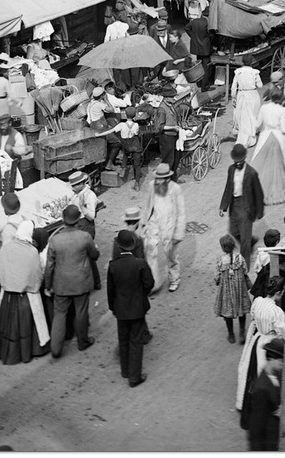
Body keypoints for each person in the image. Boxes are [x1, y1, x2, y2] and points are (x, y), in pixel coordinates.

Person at [0, 220, 50, 364]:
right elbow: (37, 274)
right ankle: (28, 353)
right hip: (26, 297)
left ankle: (6, 353)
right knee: (27, 326)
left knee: (7, 325)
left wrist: (5, 280)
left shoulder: (7, 247)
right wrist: (33, 285)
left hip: (8, 295)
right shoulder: (32, 252)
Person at [43, 204, 99, 357]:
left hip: (61, 284)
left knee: (60, 314)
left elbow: (49, 266)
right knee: (81, 312)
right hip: (81, 282)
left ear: (63, 219)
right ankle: (82, 341)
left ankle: (56, 349)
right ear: (78, 220)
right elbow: (94, 256)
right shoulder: (85, 237)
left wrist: (47, 285)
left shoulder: (54, 240)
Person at [106, 228, 154, 388]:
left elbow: (110, 290)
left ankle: (125, 370)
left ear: (119, 246)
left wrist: (113, 307)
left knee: (123, 339)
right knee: (136, 342)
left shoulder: (113, 266)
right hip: (137, 308)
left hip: (120, 309)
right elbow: (149, 283)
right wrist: (141, 295)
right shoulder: (139, 263)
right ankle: (134, 377)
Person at [237, 276, 285, 426]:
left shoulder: (258, 301)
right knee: (263, 374)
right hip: (268, 343)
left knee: (251, 372)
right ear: (279, 293)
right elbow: (281, 333)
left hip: (257, 339)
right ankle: (262, 407)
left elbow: (253, 319)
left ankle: (247, 401)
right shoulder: (276, 311)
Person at [140, 162, 186, 293]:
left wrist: (178, 234)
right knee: (150, 251)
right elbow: (147, 204)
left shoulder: (175, 189)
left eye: (160, 179)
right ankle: (153, 282)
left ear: (167, 178)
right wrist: (143, 222)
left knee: (171, 255)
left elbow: (181, 212)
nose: (158, 181)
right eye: (157, 178)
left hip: (169, 225)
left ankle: (174, 279)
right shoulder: (151, 185)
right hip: (154, 222)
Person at [219, 144, 265, 268]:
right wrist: (223, 206)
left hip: (246, 207)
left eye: (240, 161)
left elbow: (258, 193)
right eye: (236, 161)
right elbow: (228, 187)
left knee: (244, 240)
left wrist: (259, 211)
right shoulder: (231, 169)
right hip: (234, 205)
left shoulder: (251, 173)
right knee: (233, 231)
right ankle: (251, 242)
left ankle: (244, 267)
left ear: (244, 158)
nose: (238, 163)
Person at [248, 90, 285, 204]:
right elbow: (283, 128)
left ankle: (255, 184)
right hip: (278, 135)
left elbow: (258, 124)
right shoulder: (282, 109)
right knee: (283, 156)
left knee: (259, 157)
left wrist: (253, 123)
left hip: (265, 135)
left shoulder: (264, 108)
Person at [246, 336, 285, 451]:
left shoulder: (274, 374)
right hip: (267, 438)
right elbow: (257, 424)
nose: (283, 364)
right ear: (271, 360)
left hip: (274, 433)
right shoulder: (261, 388)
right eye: (281, 360)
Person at [214, 233, 252, 344]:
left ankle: (231, 334)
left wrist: (218, 282)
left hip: (226, 291)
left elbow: (217, 276)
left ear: (222, 248)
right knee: (242, 309)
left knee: (227, 311)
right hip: (239, 289)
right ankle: (242, 332)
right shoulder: (239, 258)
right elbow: (245, 270)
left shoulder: (220, 261)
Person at [95, 107, 144, 189]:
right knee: (137, 164)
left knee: (126, 153)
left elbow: (110, 131)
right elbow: (136, 133)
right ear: (134, 116)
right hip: (135, 146)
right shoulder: (136, 125)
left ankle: (123, 168)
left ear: (126, 115)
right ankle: (137, 183)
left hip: (126, 145)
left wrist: (99, 134)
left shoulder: (121, 125)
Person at [230, 55, 263, 147]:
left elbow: (233, 87)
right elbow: (260, 85)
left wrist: (233, 97)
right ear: (252, 62)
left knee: (242, 116)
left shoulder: (238, 72)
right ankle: (251, 138)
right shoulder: (254, 73)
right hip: (252, 95)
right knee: (252, 115)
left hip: (241, 95)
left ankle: (243, 136)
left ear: (242, 62)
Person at [186, 2, 213, 87]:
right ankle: (205, 86)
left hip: (197, 47)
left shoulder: (195, 21)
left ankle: (199, 83)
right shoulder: (209, 23)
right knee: (206, 67)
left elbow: (186, 28)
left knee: (199, 65)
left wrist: (192, 36)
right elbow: (212, 36)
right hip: (206, 48)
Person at [67, 170, 98, 240]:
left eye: (74, 186)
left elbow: (91, 217)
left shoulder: (89, 195)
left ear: (81, 183)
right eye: (72, 186)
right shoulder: (76, 193)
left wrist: (82, 207)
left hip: (85, 225)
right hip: (76, 224)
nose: (73, 188)